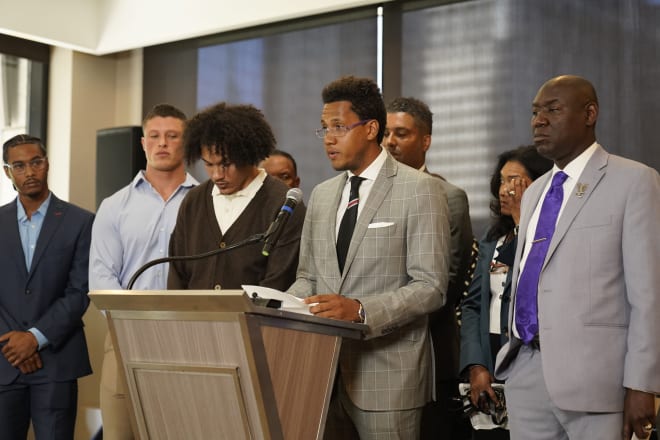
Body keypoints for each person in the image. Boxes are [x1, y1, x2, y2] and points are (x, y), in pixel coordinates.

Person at [494, 75, 660, 440]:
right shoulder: (536, 191)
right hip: (526, 372)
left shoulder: (634, 181)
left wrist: (643, 384)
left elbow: (648, 295)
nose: (539, 120)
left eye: (553, 110)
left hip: (598, 383)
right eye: (535, 112)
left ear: (590, 114)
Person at [287, 75, 451, 439]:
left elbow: (431, 286)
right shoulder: (322, 194)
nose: (328, 138)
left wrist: (361, 310)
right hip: (323, 377)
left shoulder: (420, 190)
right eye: (323, 129)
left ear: (371, 128)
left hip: (389, 378)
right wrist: (283, 307)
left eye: (338, 127)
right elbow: (308, 277)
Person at [89, 104, 198, 439]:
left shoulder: (208, 202)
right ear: (143, 143)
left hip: (191, 339)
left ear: (187, 142)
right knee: (121, 432)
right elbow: (101, 278)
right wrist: (135, 323)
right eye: (154, 136)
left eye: (172, 136)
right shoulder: (114, 206)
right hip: (126, 337)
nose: (162, 143)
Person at [384, 96, 475, 439]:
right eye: (387, 134)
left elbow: (446, 284)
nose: (390, 142)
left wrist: (380, 317)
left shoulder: (447, 196)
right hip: (369, 353)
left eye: (401, 134)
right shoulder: (366, 195)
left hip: (427, 349)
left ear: (425, 141)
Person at [0, 134, 94, 439]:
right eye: (19, 165)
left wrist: (34, 338)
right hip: (4, 360)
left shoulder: (80, 222)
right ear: (7, 172)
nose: (29, 172)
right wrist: (15, 345)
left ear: (47, 164)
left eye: (36, 162)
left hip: (57, 362)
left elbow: (79, 292)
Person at [460, 145, 552, 439]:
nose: (504, 189)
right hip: (489, 361)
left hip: (533, 364)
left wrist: (522, 219)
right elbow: (473, 305)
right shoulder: (492, 238)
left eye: (515, 181)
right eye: (501, 180)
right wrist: (475, 365)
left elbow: (532, 283)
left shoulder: (549, 237)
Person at [168, 102, 304, 291]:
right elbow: (177, 275)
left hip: (256, 320)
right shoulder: (194, 200)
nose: (216, 175)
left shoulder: (283, 203)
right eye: (208, 164)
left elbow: (279, 281)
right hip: (194, 319)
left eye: (226, 164)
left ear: (248, 155)